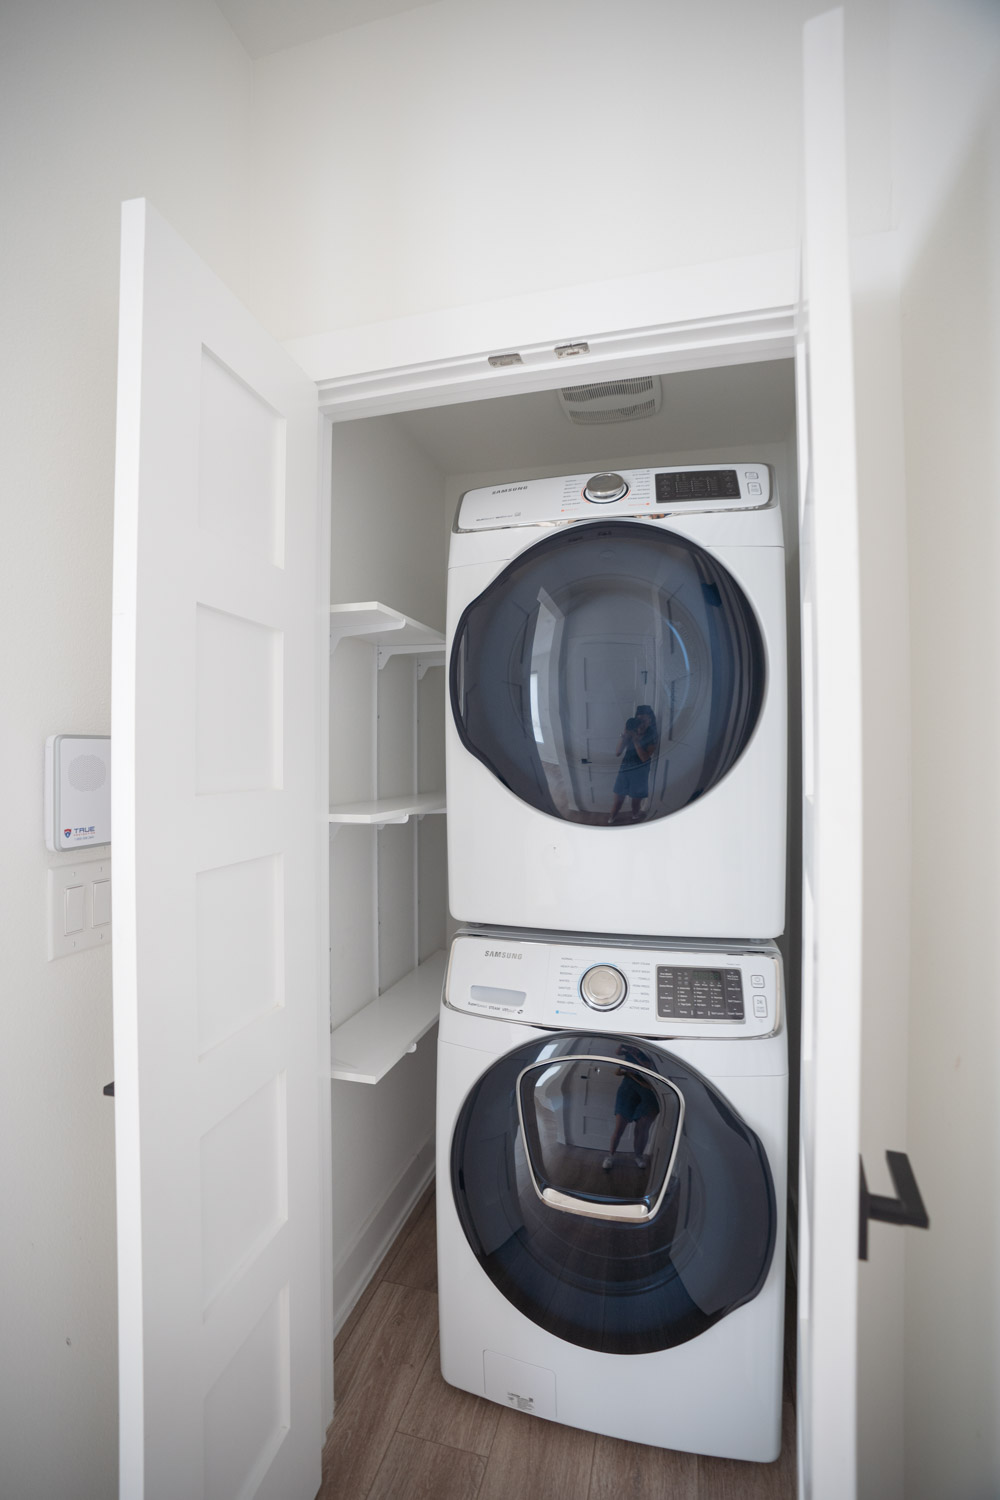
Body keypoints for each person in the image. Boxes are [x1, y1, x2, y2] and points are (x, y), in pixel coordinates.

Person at [608, 704, 658, 823]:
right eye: (639, 720)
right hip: (625, 768)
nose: (642, 723)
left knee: (636, 800)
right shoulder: (632, 731)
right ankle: (611, 818)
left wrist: (635, 740)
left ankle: (635, 816)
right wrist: (625, 734)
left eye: (644, 720)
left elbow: (644, 758)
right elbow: (617, 753)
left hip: (641, 771)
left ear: (650, 720)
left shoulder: (652, 735)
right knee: (618, 799)